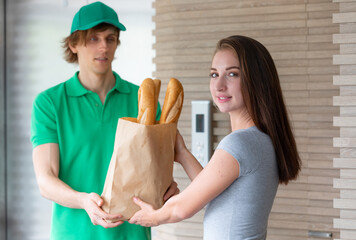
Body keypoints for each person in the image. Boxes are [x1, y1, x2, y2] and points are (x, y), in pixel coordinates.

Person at [129, 35, 302, 240]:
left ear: (256, 80)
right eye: (214, 74)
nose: (219, 85)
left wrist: (154, 217)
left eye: (232, 74)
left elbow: (182, 209)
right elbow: (214, 191)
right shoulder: (260, 141)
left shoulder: (240, 143)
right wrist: (183, 154)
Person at [30, 2, 178, 240]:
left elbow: (156, 169)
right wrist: (83, 201)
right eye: (93, 39)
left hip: (133, 234)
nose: (104, 47)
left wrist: (167, 188)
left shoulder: (143, 100)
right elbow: (46, 178)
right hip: (73, 234)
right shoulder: (50, 103)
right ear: (73, 44)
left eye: (110, 38)